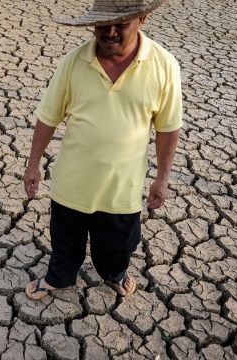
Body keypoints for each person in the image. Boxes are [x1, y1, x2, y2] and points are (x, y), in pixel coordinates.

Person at [24, 0, 182, 300]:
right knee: (65, 240)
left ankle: (114, 272)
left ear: (142, 19)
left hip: (122, 189)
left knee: (118, 245)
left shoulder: (163, 65)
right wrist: (33, 164)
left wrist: (163, 177)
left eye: (120, 24)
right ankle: (59, 276)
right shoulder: (73, 62)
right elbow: (48, 116)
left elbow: (167, 127)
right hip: (72, 183)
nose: (109, 32)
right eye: (102, 24)